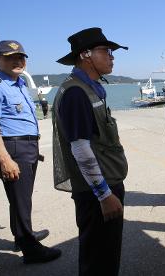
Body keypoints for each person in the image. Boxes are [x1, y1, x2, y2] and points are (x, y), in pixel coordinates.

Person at [0, 40, 61, 264]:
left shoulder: (19, 83)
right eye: (10, 57)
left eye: (20, 57)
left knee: (21, 198)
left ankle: (23, 235)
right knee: (21, 200)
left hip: (26, 147)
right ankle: (30, 249)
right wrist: (5, 159)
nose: (17, 61)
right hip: (13, 149)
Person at [52, 27, 129, 275]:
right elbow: (81, 149)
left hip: (103, 185)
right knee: (99, 259)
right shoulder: (76, 92)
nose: (112, 56)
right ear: (86, 55)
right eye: (106, 51)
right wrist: (104, 195)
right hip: (97, 193)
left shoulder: (88, 88)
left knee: (104, 254)